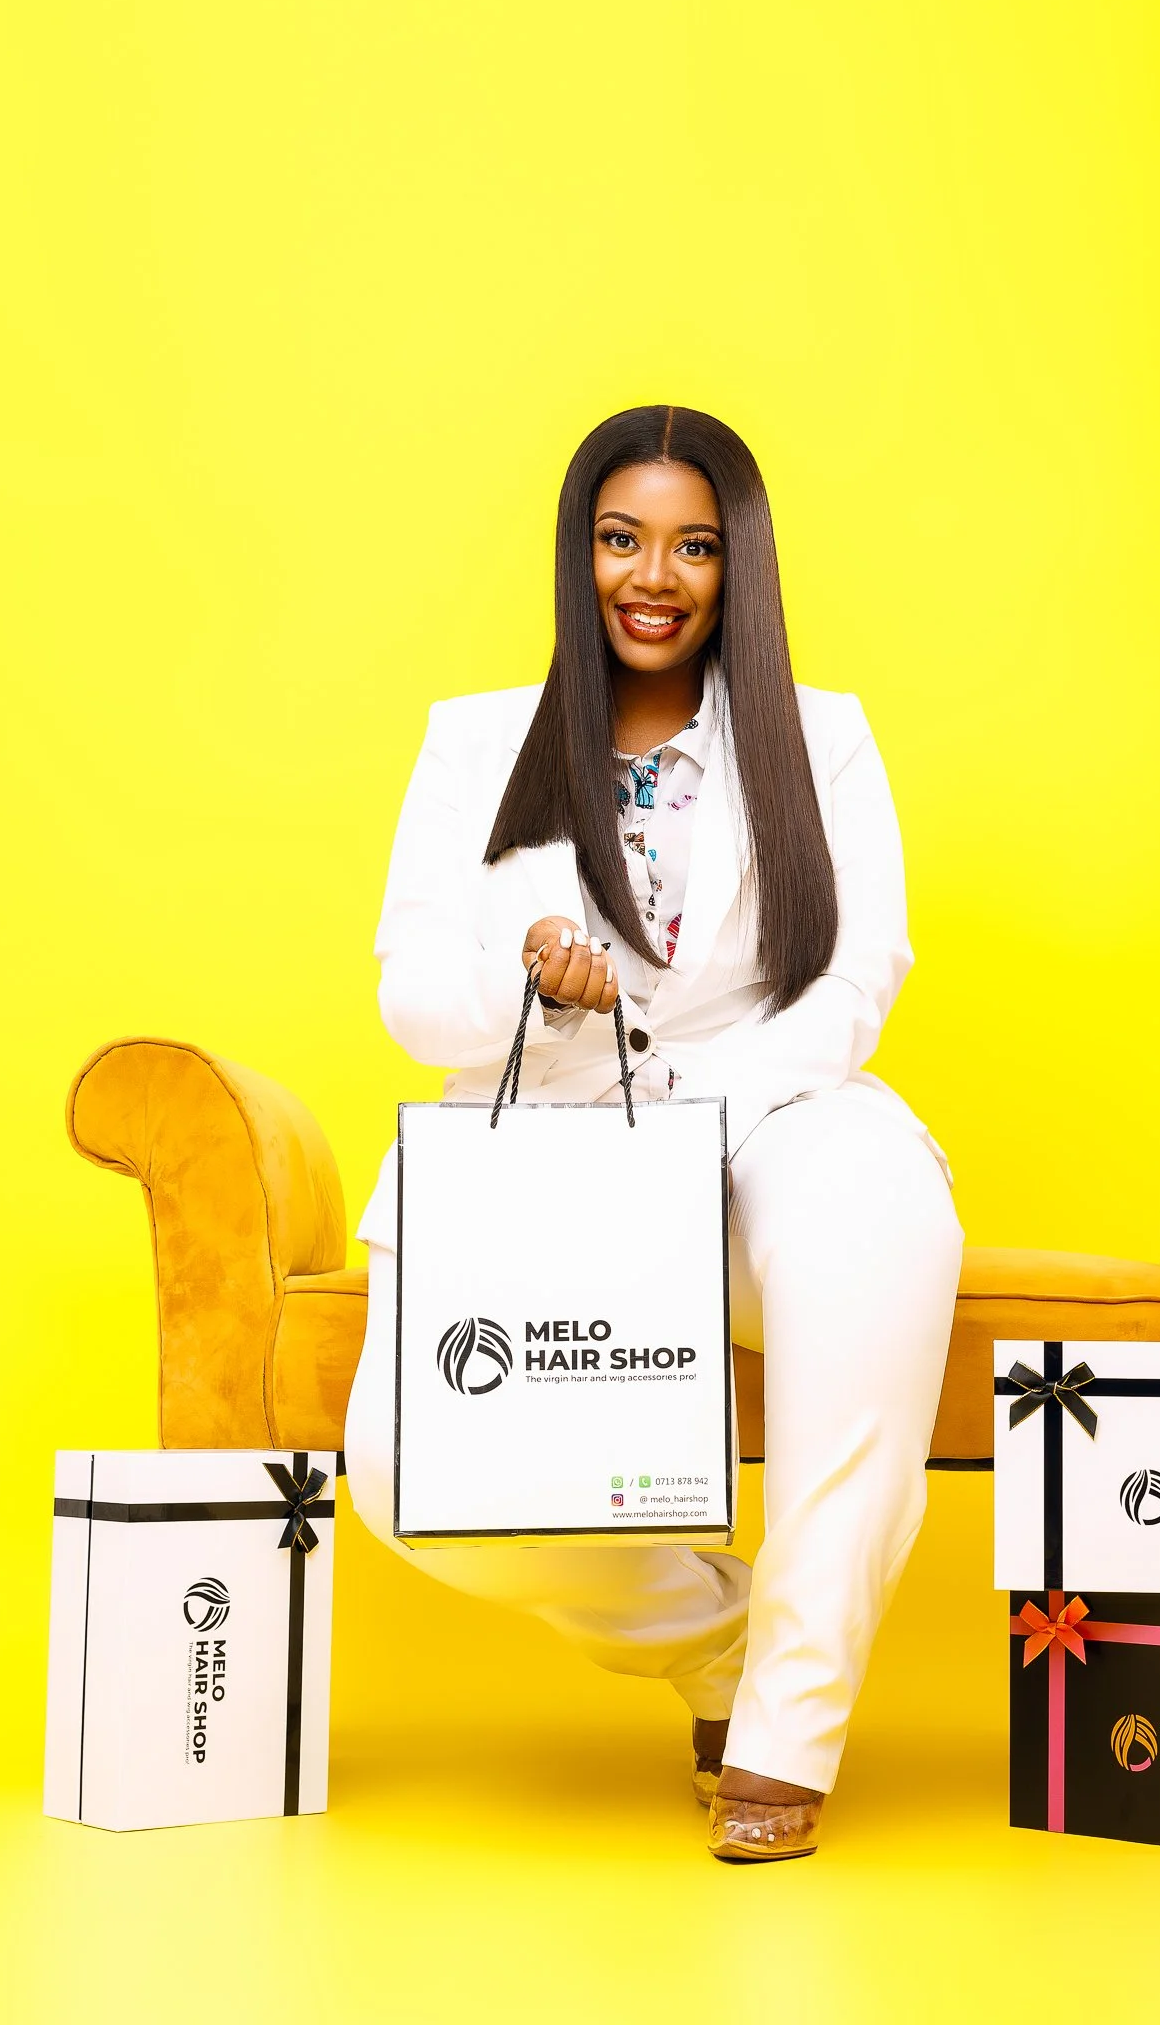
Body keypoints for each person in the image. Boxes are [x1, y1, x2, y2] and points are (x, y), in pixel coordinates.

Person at [344, 405, 962, 1862]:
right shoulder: (475, 740)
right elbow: (408, 989)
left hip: (775, 1109)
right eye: (623, 539)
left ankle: (788, 1736)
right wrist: (527, 970)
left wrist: (703, 1124)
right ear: (579, 551)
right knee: (400, 1474)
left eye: (693, 545)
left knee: (873, 1233)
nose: (654, 575)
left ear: (736, 565)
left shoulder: (823, 737)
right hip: (554, 1132)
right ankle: (728, 1643)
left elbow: (859, 971)